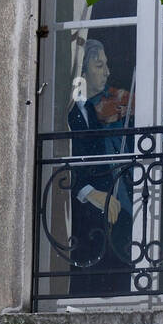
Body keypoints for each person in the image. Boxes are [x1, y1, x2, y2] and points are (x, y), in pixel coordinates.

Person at [65, 38, 135, 297]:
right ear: (80, 74)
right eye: (99, 65)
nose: (107, 72)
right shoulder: (67, 114)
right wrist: (89, 192)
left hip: (105, 206)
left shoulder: (91, 111)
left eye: (106, 65)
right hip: (85, 215)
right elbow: (67, 163)